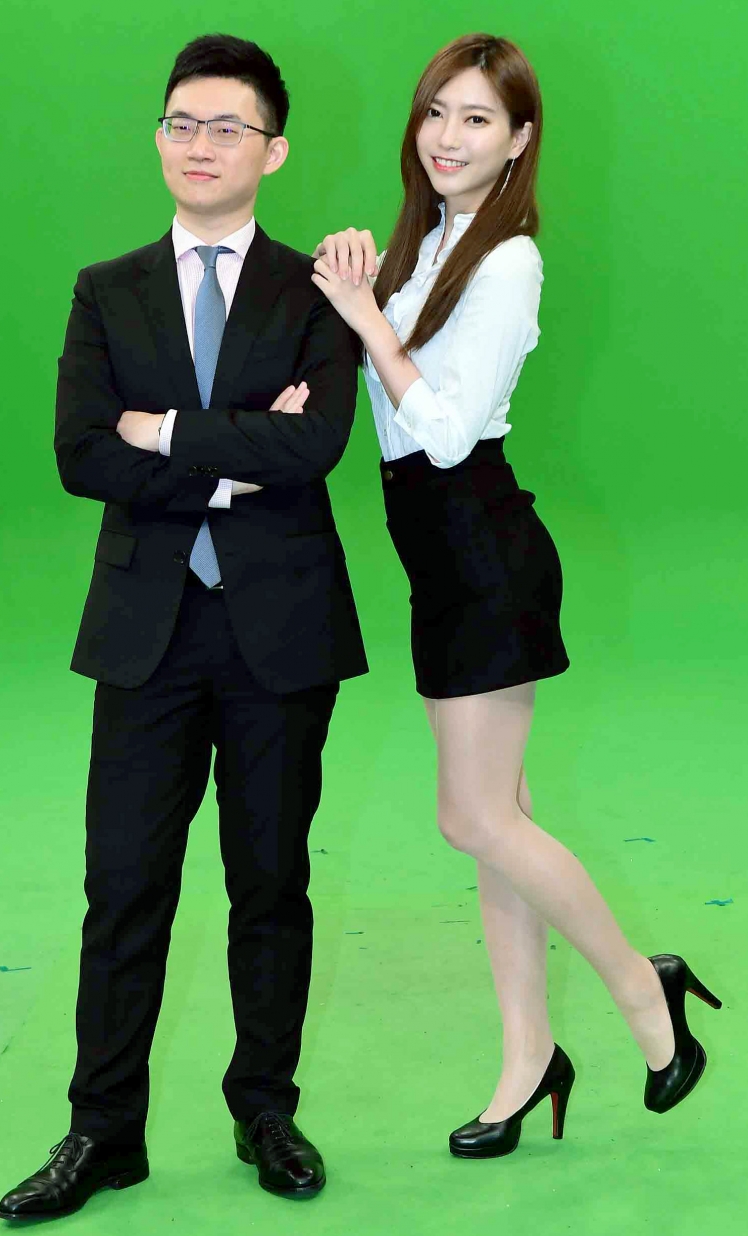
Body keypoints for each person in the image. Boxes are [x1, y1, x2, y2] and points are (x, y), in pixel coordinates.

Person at [312, 32, 721, 1159]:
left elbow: (445, 434)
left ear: (518, 139)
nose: (447, 136)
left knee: (473, 818)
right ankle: (527, 1057)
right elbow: (387, 402)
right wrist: (359, 301)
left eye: (477, 119)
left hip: (481, 550)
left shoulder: (506, 260)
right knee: (503, 825)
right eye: (436, 111)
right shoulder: (428, 241)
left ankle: (643, 989)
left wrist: (365, 319)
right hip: (438, 557)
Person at [0, 33, 367, 1221]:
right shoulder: (106, 290)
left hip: (281, 632)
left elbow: (314, 446)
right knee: (122, 887)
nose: (197, 145)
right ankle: (102, 1132)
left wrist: (159, 431)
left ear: (273, 150)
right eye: (179, 123)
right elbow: (79, 453)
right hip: (144, 631)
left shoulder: (315, 289)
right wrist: (235, 454)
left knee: (270, 883)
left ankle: (265, 1109)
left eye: (224, 127)